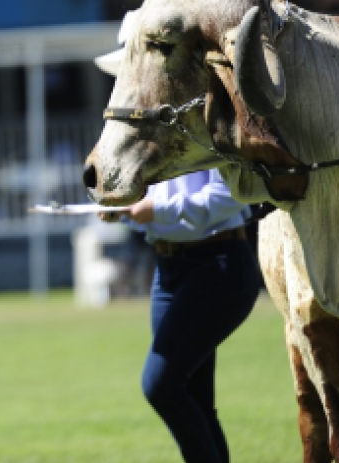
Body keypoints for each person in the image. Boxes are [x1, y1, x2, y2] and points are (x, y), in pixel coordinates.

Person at [99, 170, 260, 463]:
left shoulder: (213, 130)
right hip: (168, 268)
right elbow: (154, 203)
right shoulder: (153, 135)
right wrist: (123, 211)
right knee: (193, 397)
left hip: (220, 263)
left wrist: (156, 209)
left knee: (161, 386)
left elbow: (231, 197)